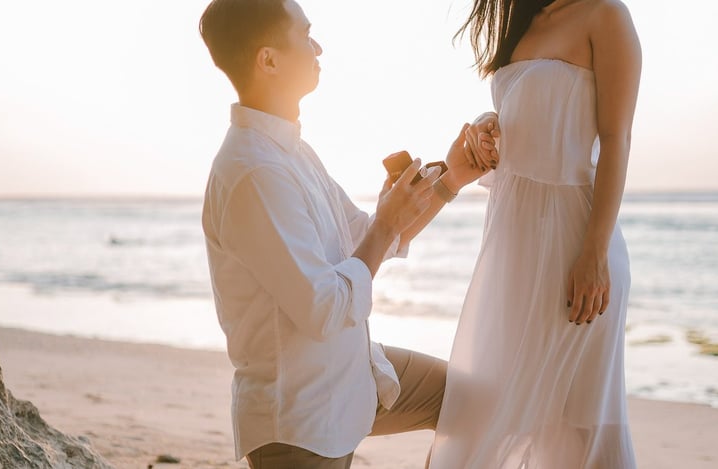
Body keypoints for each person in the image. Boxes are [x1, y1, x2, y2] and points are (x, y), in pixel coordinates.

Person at [197, 1, 497, 467]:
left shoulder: (291, 151)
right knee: (471, 403)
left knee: (472, 402)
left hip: (352, 376)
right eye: (305, 35)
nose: (318, 47)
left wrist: (451, 177)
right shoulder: (254, 172)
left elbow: (365, 237)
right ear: (269, 60)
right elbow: (325, 308)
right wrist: (385, 223)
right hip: (301, 422)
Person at [430, 0, 641, 467]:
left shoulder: (605, 13)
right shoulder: (523, 22)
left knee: (584, 428)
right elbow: (534, 118)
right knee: (489, 410)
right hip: (513, 244)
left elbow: (617, 139)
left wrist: (594, 253)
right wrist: (490, 125)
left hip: (575, 243)